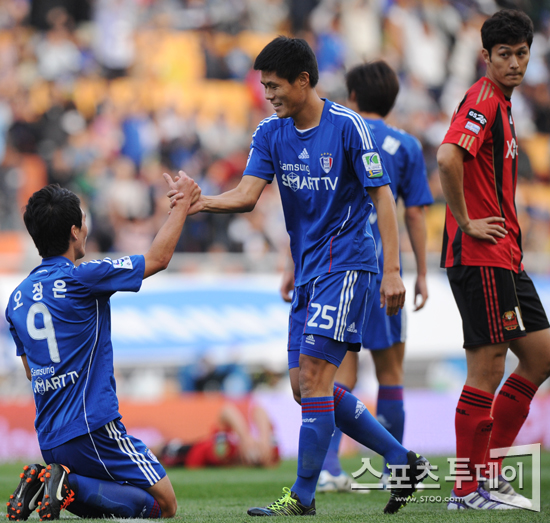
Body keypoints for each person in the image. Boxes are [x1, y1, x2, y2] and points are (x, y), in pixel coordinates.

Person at [168, 35, 429, 516]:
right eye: (263, 86)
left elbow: (383, 197)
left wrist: (393, 271)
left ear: (303, 80)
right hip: (309, 270)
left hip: (349, 263)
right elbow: (247, 194)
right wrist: (201, 201)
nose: (268, 95)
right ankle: (400, 457)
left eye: (274, 85)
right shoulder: (270, 132)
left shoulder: (349, 127)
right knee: (302, 386)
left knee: (314, 376)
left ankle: (302, 498)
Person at [5, 173, 200, 521]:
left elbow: (32, 372)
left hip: (49, 436)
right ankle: (68, 485)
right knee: (165, 505)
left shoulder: (16, 298)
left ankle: (49, 479)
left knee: (101, 491)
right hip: (93, 426)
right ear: (75, 231)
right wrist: (182, 205)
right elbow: (157, 259)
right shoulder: (84, 276)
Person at [280, 60, 431, 492]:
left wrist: (292, 266)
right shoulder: (405, 145)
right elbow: (415, 214)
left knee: (332, 374)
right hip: (379, 271)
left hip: (333, 268)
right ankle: (395, 472)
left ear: (353, 97)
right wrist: (415, 273)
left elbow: (311, 209)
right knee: (390, 373)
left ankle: (328, 469)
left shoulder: (335, 130)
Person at [437, 8, 550, 510]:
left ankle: (490, 474)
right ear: (486, 56)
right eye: (504, 54)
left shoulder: (504, 104)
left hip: (506, 258)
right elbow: (446, 156)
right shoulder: (483, 99)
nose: (514, 63)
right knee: (487, 368)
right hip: (481, 255)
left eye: (521, 54)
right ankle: (466, 490)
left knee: (542, 355)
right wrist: (463, 221)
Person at [158, 402, 280, 469]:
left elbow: (227, 411)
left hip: (190, 455)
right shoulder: (270, 449)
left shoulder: (225, 453)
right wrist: (254, 439)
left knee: (160, 454)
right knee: (160, 450)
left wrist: (246, 440)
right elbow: (258, 409)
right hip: (194, 448)